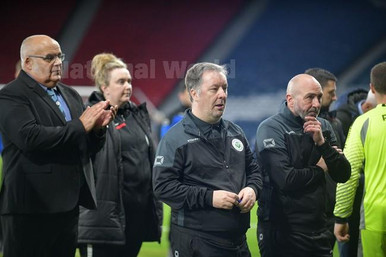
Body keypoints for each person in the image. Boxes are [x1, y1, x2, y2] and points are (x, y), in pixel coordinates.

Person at [0, 35, 116, 257]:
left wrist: (98, 130)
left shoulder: (70, 94)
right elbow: (30, 138)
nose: (58, 63)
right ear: (27, 63)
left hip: (68, 208)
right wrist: (81, 125)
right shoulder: (11, 95)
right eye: (49, 57)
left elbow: (82, 145)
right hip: (30, 209)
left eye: (60, 56)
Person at [153, 62, 262, 257]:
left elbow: (254, 170)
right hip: (197, 242)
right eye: (214, 89)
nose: (222, 94)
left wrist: (252, 189)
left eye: (225, 88)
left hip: (238, 242)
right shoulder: (175, 138)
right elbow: (163, 187)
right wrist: (209, 198)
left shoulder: (235, 132)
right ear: (194, 93)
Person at [255, 74, 351, 257]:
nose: (316, 104)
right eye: (310, 97)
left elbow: (343, 173)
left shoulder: (323, 126)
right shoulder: (271, 129)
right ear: (290, 99)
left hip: (319, 228)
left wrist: (322, 144)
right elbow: (286, 180)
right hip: (281, 232)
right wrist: (321, 168)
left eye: (319, 97)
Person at [77, 53, 162, 257]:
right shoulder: (90, 115)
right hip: (102, 220)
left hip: (135, 218)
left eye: (130, 81)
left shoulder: (137, 116)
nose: (128, 86)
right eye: (121, 81)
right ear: (104, 87)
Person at [334, 62, 386, 257]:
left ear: (372, 88)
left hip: (376, 216)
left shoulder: (363, 122)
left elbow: (349, 173)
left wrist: (341, 217)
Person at [304, 67, 346, 249]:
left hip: (332, 209)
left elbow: (345, 169)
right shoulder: (295, 127)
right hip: (309, 212)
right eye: (331, 93)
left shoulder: (334, 124)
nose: (335, 97)